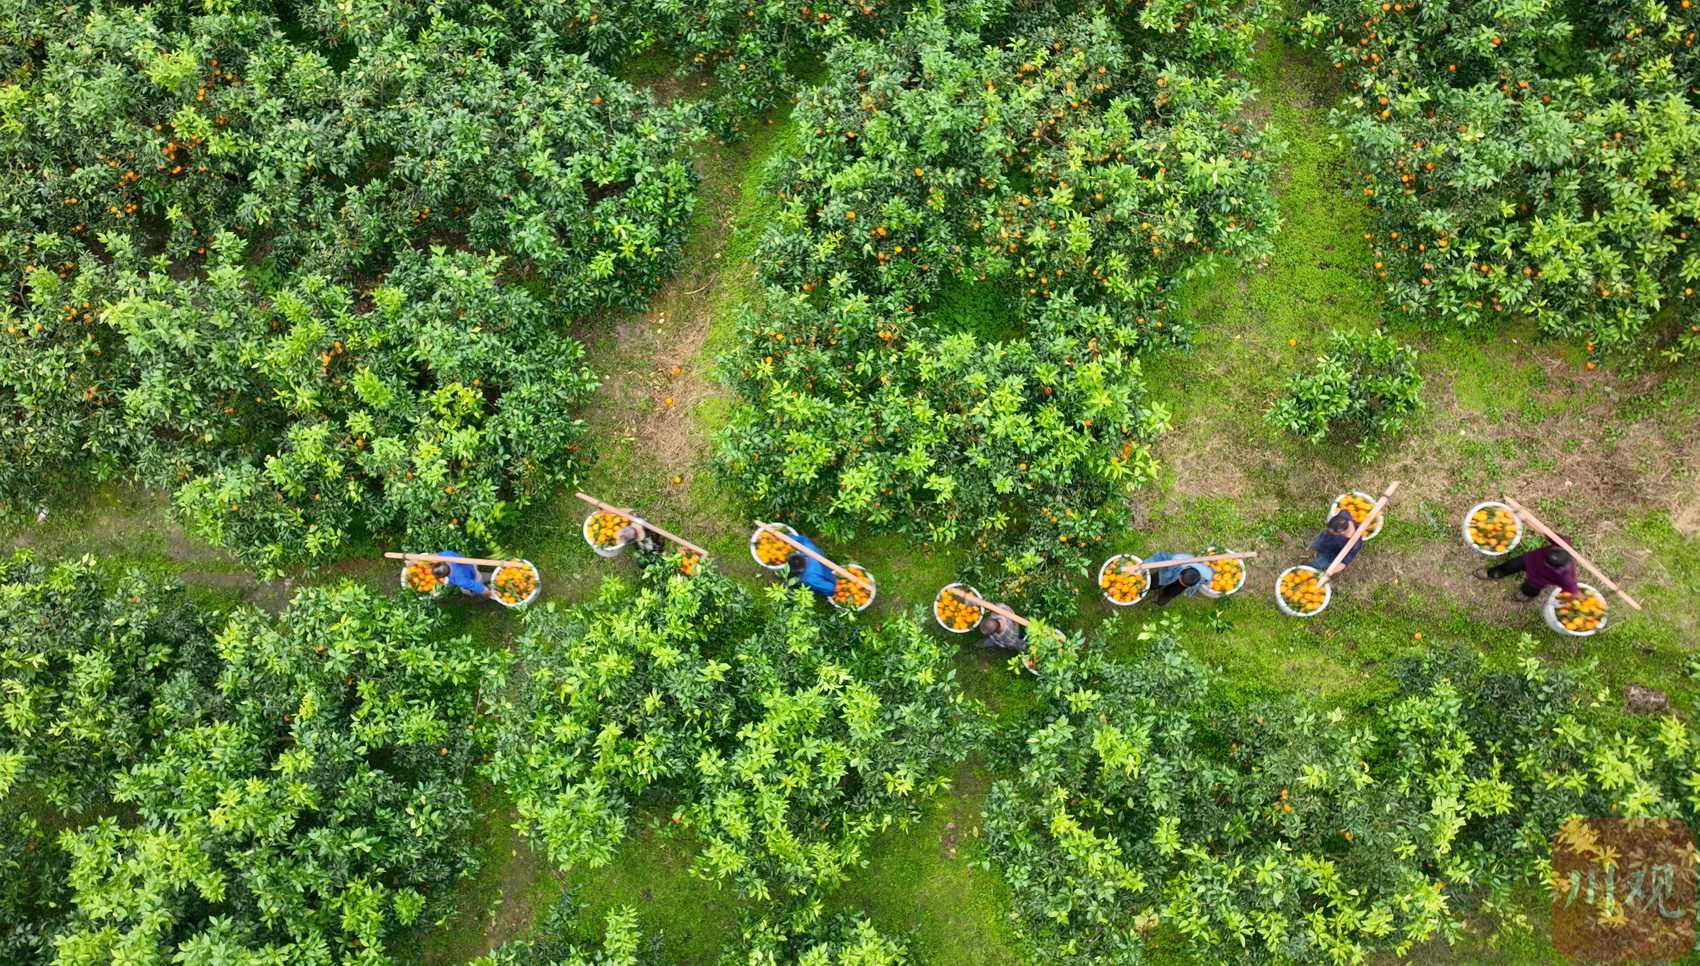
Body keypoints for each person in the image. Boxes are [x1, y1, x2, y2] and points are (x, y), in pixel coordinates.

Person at [1474, 536, 1580, 601]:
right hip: (1529, 560)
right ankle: (1491, 574)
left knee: (1529, 589)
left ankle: (1525, 595)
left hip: (1537, 580)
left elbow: (1575, 592)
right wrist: (1525, 518)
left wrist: (1565, 601)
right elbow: (1544, 531)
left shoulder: (1566, 576)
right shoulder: (1562, 543)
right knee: (1510, 566)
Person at [1144, 551, 1214, 606]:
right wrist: (1143, 566)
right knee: (1155, 582)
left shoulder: (1207, 574)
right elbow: (1160, 556)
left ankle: (1167, 595)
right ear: (1187, 568)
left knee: (1174, 590)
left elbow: (1209, 579)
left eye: (1184, 584)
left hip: (1185, 580)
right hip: (1169, 573)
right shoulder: (1179, 559)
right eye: (1180, 579)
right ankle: (1151, 584)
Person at [783, 533, 839, 600]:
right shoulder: (807, 547)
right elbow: (803, 539)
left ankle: (797, 582)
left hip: (829, 579)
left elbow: (830, 588)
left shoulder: (809, 578)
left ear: (798, 569)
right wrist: (788, 537)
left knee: (802, 580)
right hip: (823, 564)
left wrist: (830, 594)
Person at [1307, 512, 1361, 576]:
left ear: (1342, 532)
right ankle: (1318, 548)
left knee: (1316, 564)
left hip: (1330, 555)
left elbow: (1344, 562)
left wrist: (1329, 572)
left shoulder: (1354, 544)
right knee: (1316, 545)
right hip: (1324, 538)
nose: (1328, 530)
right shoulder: (1344, 514)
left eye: (1332, 532)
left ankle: (1307, 569)